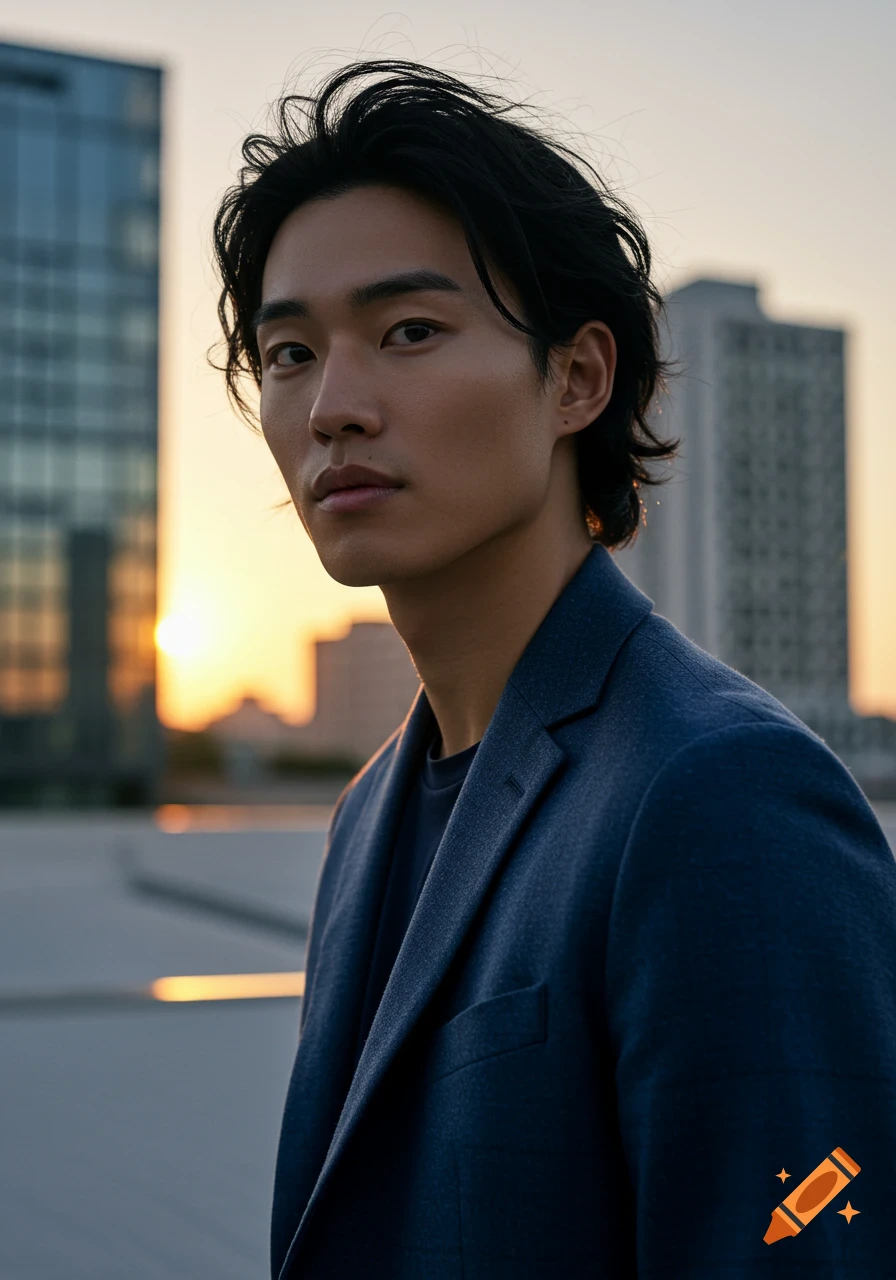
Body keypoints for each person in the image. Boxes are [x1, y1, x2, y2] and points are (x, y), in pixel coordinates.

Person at [211, 58, 896, 1279]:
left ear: (576, 377)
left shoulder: (719, 794)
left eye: (408, 330)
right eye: (289, 352)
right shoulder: (369, 807)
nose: (331, 407)